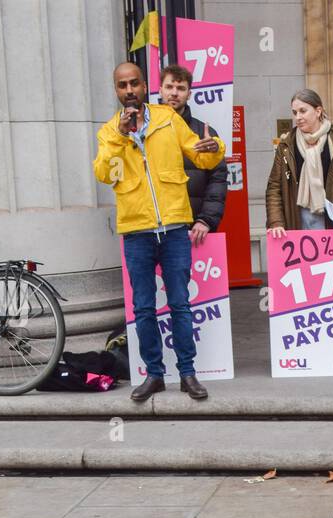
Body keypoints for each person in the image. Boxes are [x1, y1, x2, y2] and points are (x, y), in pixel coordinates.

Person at [93, 61, 226, 402]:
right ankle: (154, 374)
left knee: (180, 304)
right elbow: (104, 173)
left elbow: (202, 155)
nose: (129, 90)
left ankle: (187, 373)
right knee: (143, 308)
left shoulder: (168, 119)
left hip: (174, 226)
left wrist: (216, 150)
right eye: (122, 85)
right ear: (117, 91)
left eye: (134, 83)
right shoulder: (109, 131)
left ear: (144, 84)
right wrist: (121, 137)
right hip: (136, 230)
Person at [265, 89, 333, 237]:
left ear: (318, 111)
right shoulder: (286, 145)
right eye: (295, 112)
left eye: (303, 111)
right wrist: (276, 222)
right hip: (297, 222)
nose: (298, 117)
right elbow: (274, 188)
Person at [160, 65, 228, 245]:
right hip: (156, 227)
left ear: (189, 94)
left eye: (181, 88)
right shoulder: (145, 129)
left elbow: (218, 180)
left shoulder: (205, 133)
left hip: (195, 229)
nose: (174, 93)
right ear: (160, 90)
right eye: (169, 87)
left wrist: (206, 219)